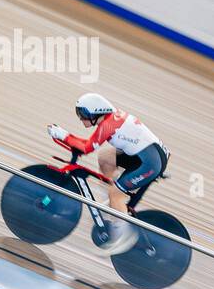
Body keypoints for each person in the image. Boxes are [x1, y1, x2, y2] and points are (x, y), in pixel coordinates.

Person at [48, 93, 169, 254]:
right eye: (79, 114)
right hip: (147, 155)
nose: (81, 119)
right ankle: (115, 205)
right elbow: (89, 144)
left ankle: (121, 236)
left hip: (150, 163)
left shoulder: (108, 125)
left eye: (83, 115)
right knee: (105, 158)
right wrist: (66, 136)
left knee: (116, 193)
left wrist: (63, 134)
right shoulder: (109, 119)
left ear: (96, 113)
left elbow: (86, 148)